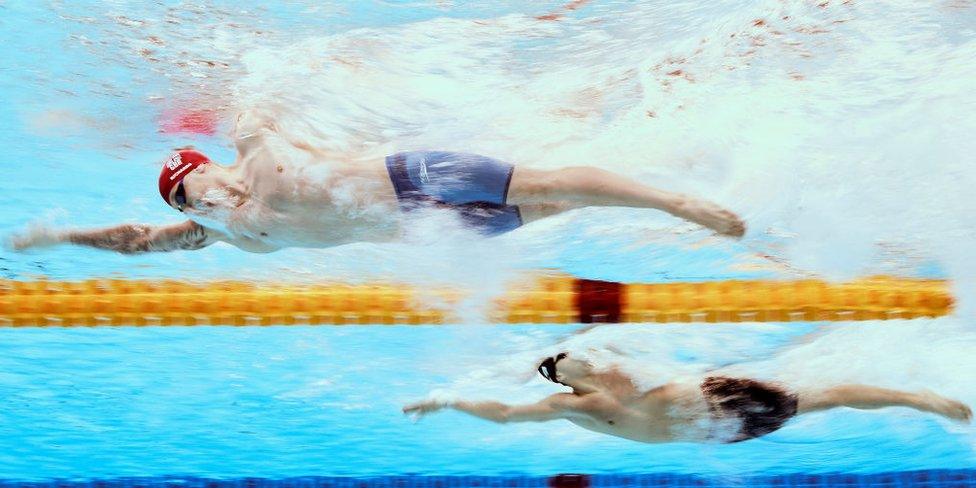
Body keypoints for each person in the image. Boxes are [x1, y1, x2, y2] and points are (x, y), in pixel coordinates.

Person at [8, 109, 745, 254]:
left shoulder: (257, 151)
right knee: (550, 202)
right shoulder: (225, 233)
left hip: (412, 177)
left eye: (189, 189)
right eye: (182, 201)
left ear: (203, 168)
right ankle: (665, 170)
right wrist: (56, 234)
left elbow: (250, 104)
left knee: (552, 181)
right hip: (423, 227)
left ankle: (678, 202)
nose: (193, 202)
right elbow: (138, 240)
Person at [403, 351, 972, 443]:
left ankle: (921, 399)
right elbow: (504, 413)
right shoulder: (574, 405)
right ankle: (921, 400)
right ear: (559, 374)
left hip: (717, 400)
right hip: (716, 427)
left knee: (829, 394)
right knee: (825, 397)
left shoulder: (621, 369)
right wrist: (447, 399)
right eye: (564, 357)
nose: (581, 354)